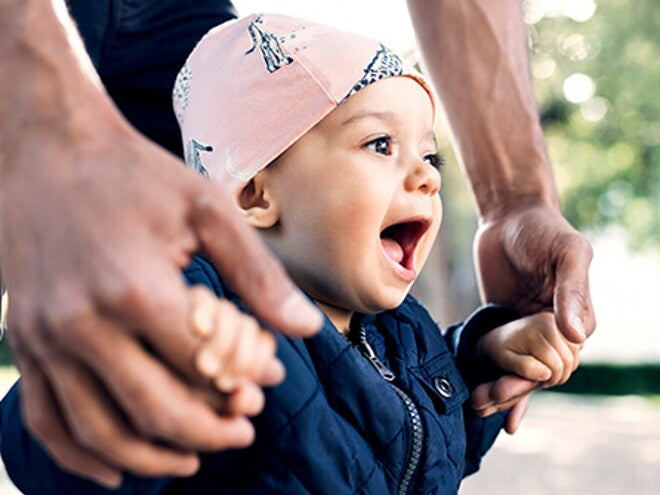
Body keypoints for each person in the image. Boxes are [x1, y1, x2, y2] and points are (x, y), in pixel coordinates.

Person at [0, 0, 595, 488]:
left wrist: (488, 356)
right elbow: (47, 454)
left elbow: (431, 430)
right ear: (257, 193)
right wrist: (152, 380)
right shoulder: (208, 316)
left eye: (429, 155)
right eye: (381, 145)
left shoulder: (402, 332)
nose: (428, 177)